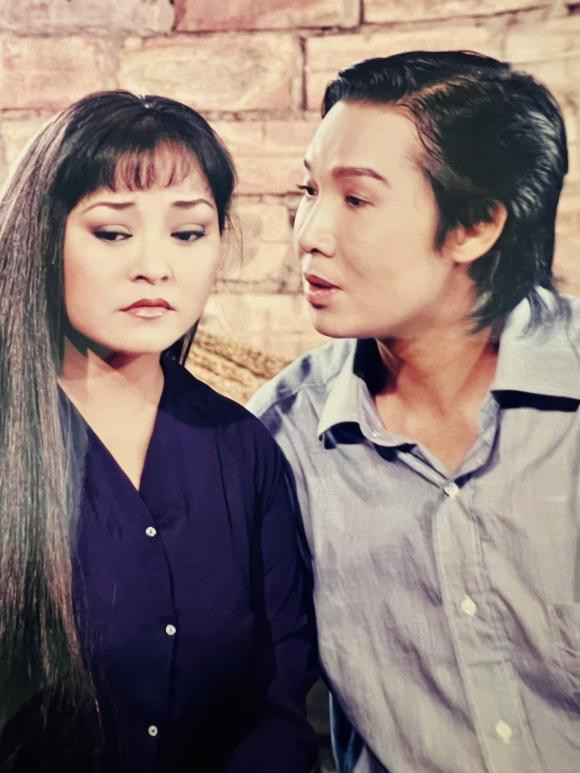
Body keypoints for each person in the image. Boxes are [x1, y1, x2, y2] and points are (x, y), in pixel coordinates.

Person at [248, 51, 579, 773]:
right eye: (309, 190)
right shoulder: (279, 439)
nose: (309, 233)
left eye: (356, 199)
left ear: (476, 226)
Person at [0, 90, 318, 773]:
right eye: (113, 233)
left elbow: (276, 707)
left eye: (188, 233)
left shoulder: (244, 449)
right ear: (43, 236)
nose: (155, 266)